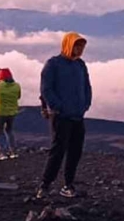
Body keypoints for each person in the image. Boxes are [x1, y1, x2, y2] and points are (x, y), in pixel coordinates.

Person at [38, 33, 91, 198]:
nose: (80, 49)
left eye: (82, 46)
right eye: (77, 46)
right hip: (61, 116)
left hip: (77, 115)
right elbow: (46, 89)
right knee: (58, 151)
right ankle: (45, 185)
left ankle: (68, 185)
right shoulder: (53, 64)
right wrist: (57, 107)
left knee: (75, 152)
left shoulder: (81, 65)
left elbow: (87, 86)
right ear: (68, 45)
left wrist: (85, 104)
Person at [0, 68, 21, 160]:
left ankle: (2, 153)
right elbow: (18, 96)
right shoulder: (17, 85)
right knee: (9, 130)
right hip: (12, 112)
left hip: (1, 112)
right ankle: (13, 152)